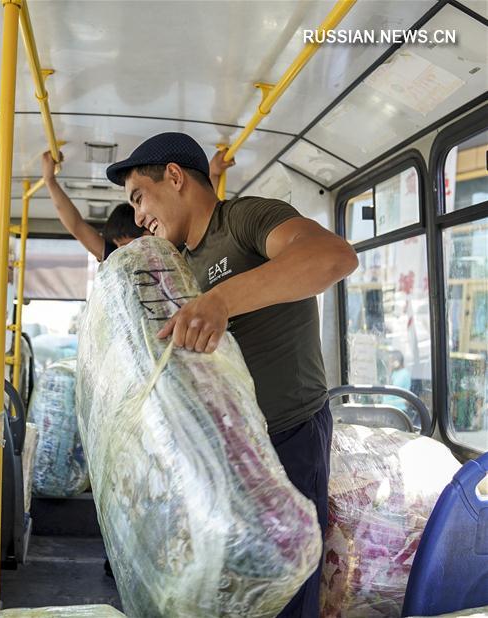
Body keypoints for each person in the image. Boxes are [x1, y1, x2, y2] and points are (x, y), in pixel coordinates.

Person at [105, 132, 358, 617]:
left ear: (174, 176)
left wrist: (221, 301)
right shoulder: (179, 265)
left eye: (139, 197)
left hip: (287, 438)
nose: (137, 216)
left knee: (285, 594)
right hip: (224, 455)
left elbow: (332, 257)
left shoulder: (244, 219)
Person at [41, 149, 234, 262]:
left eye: (125, 244)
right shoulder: (117, 259)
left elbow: (200, 209)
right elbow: (76, 226)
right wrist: (49, 181)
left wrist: (214, 173)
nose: (123, 252)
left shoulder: (171, 247)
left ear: (148, 233)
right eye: (117, 245)